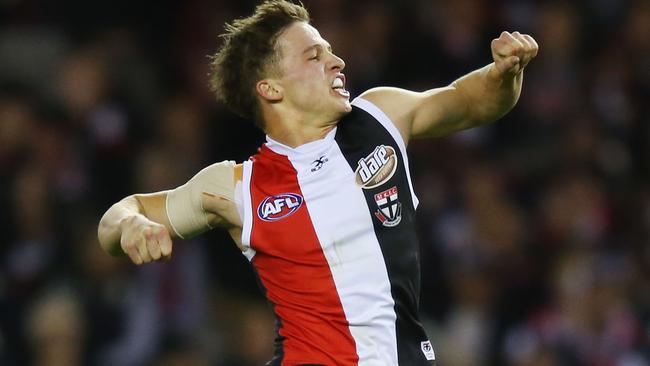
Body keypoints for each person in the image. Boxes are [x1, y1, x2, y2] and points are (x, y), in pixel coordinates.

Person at [97, 0, 538, 364]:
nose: (337, 60)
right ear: (270, 88)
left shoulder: (381, 116)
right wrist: (131, 226)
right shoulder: (237, 186)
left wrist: (504, 74)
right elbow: (121, 214)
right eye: (314, 56)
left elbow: (471, 102)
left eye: (328, 50)